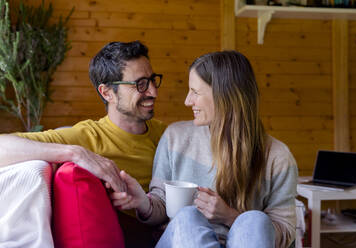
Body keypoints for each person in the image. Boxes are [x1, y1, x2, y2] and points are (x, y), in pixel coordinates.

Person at [113, 51, 298, 248]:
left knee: (255, 220)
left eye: (195, 92)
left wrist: (230, 217)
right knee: (187, 216)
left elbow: (285, 232)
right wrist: (142, 202)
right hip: (182, 240)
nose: (187, 101)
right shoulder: (175, 137)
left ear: (224, 96)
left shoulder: (277, 157)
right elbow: (162, 208)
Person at [0, 41, 167, 247]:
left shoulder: (167, 135)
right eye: (140, 84)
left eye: (152, 80)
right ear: (107, 93)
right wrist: (75, 153)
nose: (153, 92)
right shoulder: (87, 136)